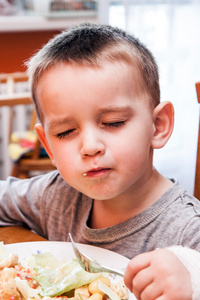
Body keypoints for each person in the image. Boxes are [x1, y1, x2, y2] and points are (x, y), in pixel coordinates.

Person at [0, 23, 200, 299]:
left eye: (113, 122)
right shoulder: (55, 195)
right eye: (65, 132)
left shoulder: (188, 229)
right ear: (48, 146)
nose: (90, 147)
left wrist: (191, 279)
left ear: (158, 125)